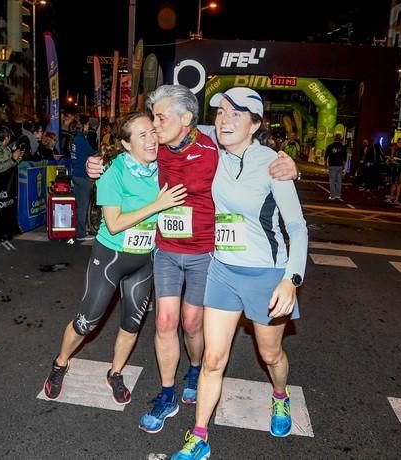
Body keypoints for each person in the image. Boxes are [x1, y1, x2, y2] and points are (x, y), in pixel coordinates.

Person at [86, 85, 300, 436]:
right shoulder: (156, 150)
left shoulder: (214, 144)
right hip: (167, 248)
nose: (154, 126)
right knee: (166, 321)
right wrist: (95, 165)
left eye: (161, 117)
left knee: (191, 322)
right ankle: (167, 392)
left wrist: (291, 169)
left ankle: (196, 369)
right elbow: (125, 159)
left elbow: (251, 157)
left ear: (186, 120)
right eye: (153, 118)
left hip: (206, 251)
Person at [171, 87, 307, 459]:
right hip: (222, 271)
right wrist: (103, 161)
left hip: (266, 275)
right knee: (214, 359)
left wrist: (290, 279)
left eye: (236, 114)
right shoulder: (213, 150)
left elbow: (297, 228)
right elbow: (167, 129)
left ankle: (280, 396)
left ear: (256, 124)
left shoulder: (272, 164)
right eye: (220, 112)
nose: (224, 119)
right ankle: (199, 436)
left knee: (271, 355)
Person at [42, 112, 187, 405]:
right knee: (86, 322)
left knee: (132, 324)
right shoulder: (112, 171)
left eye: (152, 133)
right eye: (142, 135)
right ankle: (60, 363)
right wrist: (157, 204)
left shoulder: (163, 166)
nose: (151, 139)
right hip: (111, 256)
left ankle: (116, 373)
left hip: (143, 259)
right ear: (126, 144)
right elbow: (114, 223)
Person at [70, 116, 97, 242]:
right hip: (83, 176)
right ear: (84, 125)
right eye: (87, 125)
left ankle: (77, 230)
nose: (88, 128)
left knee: (77, 205)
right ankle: (81, 233)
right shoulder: (81, 140)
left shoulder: (74, 139)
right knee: (83, 206)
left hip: (75, 175)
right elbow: (93, 153)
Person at [324, 133, 346, 200]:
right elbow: (345, 157)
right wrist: (344, 165)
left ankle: (333, 195)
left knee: (332, 180)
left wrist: (325, 163)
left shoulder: (330, 146)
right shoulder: (343, 147)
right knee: (339, 180)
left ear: (334, 138)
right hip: (339, 165)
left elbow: (326, 155)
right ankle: (338, 195)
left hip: (332, 165)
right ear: (340, 139)